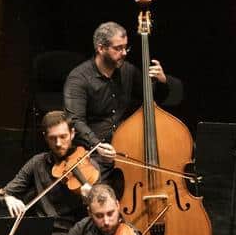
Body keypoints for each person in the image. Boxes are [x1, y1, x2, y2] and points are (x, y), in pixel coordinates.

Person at [63, 21, 180, 180]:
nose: (124, 53)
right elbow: (74, 120)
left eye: (126, 47)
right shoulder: (79, 78)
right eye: (118, 48)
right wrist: (97, 145)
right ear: (101, 48)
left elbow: (152, 99)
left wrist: (161, 81)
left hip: (127, 149)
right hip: (95, 151)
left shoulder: (128, 71)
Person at [2, 110, 115, 226]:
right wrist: (7, 198)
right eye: (52, 138)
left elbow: (102, 215)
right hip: (46, 231)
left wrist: (89, 201)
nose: (58, 143)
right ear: (45, 137)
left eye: (63, 136)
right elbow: (2, 193)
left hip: (77, 233)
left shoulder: (89, 166)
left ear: (72, 133)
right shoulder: (37, 163)